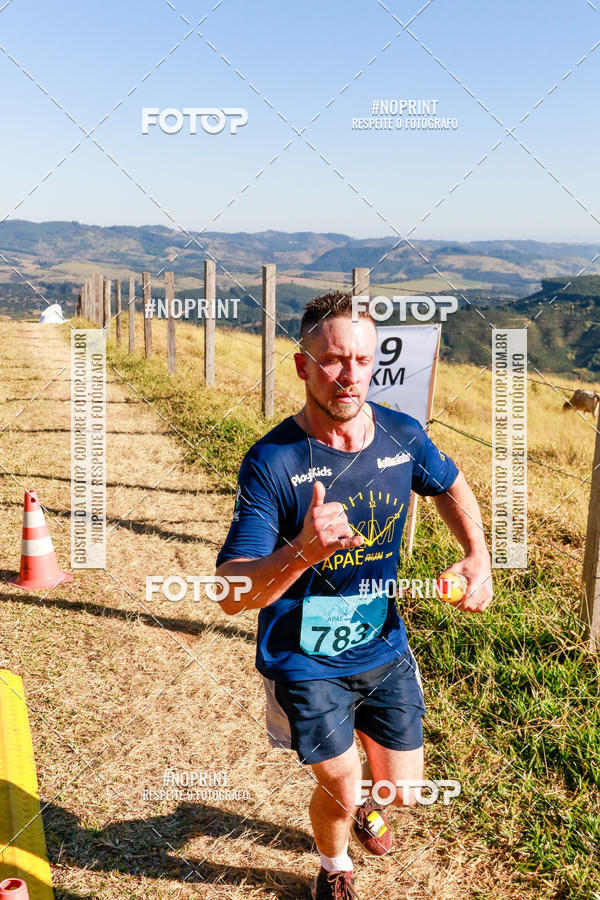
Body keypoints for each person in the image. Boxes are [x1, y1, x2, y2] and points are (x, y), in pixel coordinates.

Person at [215, 291, 493, 899]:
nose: (350, 376)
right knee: (340, 782)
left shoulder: (402, 435)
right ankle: (332, 865)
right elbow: (231, 592)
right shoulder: (271, 461)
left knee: (402, 793)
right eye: (334, 359)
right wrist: (302, 552)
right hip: (303, 657)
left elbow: (450, 485)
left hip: (382, 645)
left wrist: (479, 554)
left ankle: (365, 797)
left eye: (362, 361)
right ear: (302, 366)